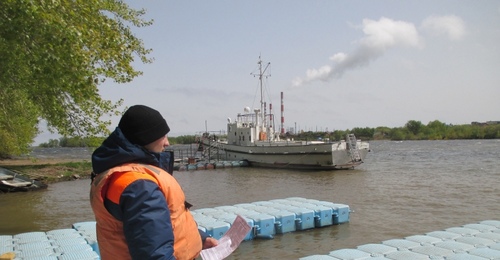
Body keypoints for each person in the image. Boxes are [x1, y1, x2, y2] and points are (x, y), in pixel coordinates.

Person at [90, 105, 218, 260]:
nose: (167, 143)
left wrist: (201, 239)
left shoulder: (121, 174)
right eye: (163, 136)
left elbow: (166, 223)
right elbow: (154, 254)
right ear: (146, 138)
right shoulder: (139, 186)